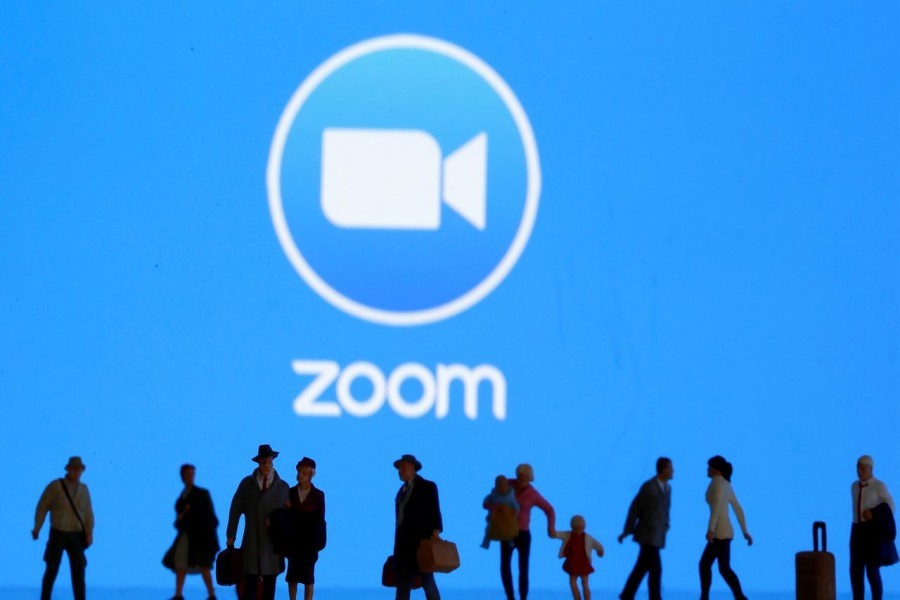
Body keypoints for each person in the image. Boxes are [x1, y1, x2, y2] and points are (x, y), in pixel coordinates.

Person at [226, 444, 291, 600]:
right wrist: (231, 535)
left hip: (272, 544)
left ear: (273, 462)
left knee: (269, 586)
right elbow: (235, 510)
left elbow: (289, 517)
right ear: (258, 463)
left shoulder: (282, 487)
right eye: (263, 462)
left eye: (269, 462)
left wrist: (287, 543)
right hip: (252, 542)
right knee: (250, 584)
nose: (266, 466)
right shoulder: (247, 484)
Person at [32, 456, 94, 600]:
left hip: (76, 535)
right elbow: (42, 507)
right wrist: (37, 527)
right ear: (68, 470)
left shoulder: (84, 489)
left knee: (79, 571)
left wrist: (89, 532)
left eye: (79, 470)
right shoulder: (55, 486)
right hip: (58, 533)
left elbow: (88, 512)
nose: (76, 473)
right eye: (74, 469)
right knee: (52, 569)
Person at [617, 457, 673, 600]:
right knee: (655, 568)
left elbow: (666, 510)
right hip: (646, 534)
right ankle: (651, 597)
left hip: (657, 535)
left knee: (643, 568)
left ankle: (627, 595)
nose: (673, 471)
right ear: (663, 469)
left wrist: (666, 524)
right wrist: (627, 530)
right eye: (670, 468)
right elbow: (635, 508)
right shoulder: (649, 487)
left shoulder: (668, 489)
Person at [162, 464, 220, 600]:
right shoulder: (183, 496)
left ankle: (211, 595)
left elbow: (210, 517)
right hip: (186, 535)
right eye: (187, 475)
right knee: (180, 565)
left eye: (192, 474)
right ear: (182, 477)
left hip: (201, 537)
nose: (190, 477)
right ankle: (178, 595)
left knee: (204, 566)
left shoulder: (201, 494)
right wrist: (183, 515)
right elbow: (179, 517)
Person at [699, 455, 752, 600]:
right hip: (723, 532)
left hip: (719, 533)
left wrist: (710, 530)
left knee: (710, 566)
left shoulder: (718, 485)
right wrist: (744, 531)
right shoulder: (725, 484)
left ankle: (736, 596)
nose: (707, 469)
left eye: (709, 467)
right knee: (720, 567)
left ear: (716, 469)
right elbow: (738, 508)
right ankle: (738, 596)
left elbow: (716, 509)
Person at [502, 463, 556, 600]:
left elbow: (549, 510)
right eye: (520, 478)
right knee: (505, 566)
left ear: (530, 480)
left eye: (525, 480)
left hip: (523, 535)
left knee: (523, 568)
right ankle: (510, 597)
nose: (522, 482)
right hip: (507, 533)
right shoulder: (508, 484)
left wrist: (551, 527)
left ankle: (523, 597)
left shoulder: (533, 494)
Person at [392, 454, 443, 600]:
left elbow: (435, 510)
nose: (400, 471)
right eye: (399, 468)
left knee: (427, 581)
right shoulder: (401, 492)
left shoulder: (427, 486)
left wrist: (436, 531)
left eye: (403, 467)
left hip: (421, 543)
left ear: (412, 468)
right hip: (403, 546)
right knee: (403, 584)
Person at [850, 454, 895, 600]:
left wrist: (874, 513)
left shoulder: (879, 486)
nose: (859, 471)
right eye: (858, 468)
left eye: (863, 468)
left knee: (872, 570)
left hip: (871, 532)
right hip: (857, 530)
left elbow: (891, 507)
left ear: (870, 469)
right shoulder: (854, 486)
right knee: (855, 570)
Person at [286, 457, 326, 600]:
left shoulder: (318, 495)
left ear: (310, 475)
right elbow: (286, 516)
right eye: (299, 472)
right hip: (294, 542)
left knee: (308, 578)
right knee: (292, 577)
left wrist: (318, 543)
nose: (300, 475)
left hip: (310, 543)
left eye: (303, 473)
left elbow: (320, 520)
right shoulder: (290, 492)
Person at [554, 515, 604, 600]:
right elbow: (557, 534)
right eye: (575, 529)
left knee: (585, 583)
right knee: (572, 583)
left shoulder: (587, 538)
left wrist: (600, 551)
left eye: (581, 529)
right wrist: (552, 532)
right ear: (572, 528)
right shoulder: (568, 535)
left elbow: (598, 545)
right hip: (572, 564)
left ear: (584, 527)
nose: (578, 531)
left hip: (583, 564)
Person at [481, 474, 519, 549]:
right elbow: (485, 503)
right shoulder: (493, 495)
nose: (500, 487)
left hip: (507, 518)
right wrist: (491, 506)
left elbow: (516, 507)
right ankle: (486, 543)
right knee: (489, 531)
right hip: (495, 518)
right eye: (498, 485)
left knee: (510, 531)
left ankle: (510, 541)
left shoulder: (510, 497)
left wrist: (513, 512)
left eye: (502, 485)